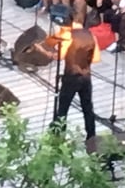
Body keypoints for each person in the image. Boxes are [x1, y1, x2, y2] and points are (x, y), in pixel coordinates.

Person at [36, 18, 100, 147]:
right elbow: (96, 58)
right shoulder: (90, 35)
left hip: (71, 77)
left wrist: (41, 50)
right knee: (88, 108)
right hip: (86, 77)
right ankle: (91, 138)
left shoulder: (68, 36)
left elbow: (57, 56)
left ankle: (58, 138)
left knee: (63, 109)